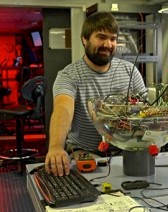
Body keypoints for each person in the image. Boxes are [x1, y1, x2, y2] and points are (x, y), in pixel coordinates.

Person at [45, 12, 147, 176]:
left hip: (125, 150)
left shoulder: (130, 71)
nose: (108, 44)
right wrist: (56, 147)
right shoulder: (69, 75)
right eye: (101, 37)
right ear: (85, 39)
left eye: (113, 39)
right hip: (86, 151)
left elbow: (146, 111)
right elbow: (63, 109)